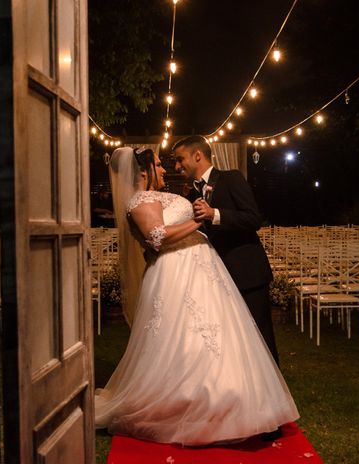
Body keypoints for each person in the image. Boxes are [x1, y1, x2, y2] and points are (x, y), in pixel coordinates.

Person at [94, 147, 299, 446]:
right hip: (177, 274)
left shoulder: (222, 181)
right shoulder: (141, 199)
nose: (167, 169)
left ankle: (249, 403)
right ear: (142, 172)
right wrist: (199, 221)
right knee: (184, 339)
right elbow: (158, 236)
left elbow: (250, 216)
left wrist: (209, 217)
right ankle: (189, 401)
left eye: (176, 161)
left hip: (207, 273)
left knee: (224, 340)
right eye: (160, 166)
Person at [171, 136, 279, 365]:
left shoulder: (231, 178)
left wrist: (215, 214)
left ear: (197, 155)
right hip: (216, 279)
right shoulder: (191, 195)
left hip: (246, 273)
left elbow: (253, 218)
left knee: (260, 335)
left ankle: (274, 389)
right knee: (232, 338)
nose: (177, 166)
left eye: (180, 160)